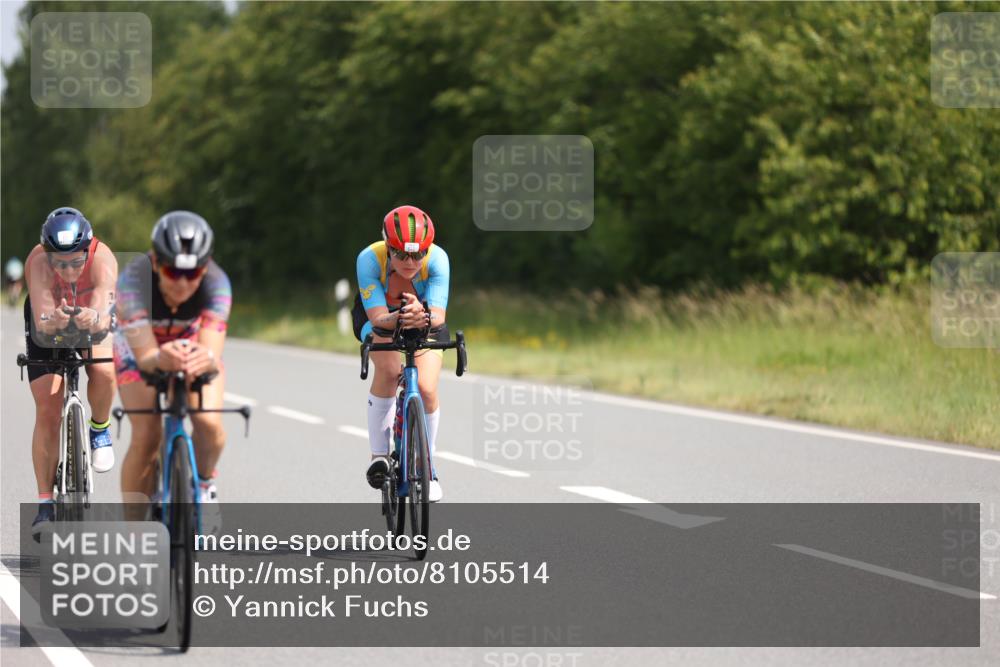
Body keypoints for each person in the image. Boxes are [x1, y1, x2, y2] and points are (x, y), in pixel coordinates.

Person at [115, 211, 231, 513]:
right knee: (147, 434)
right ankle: (136, 536)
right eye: (172, 272)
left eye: (192, 274)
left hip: (191, 343)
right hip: (140, 346)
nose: (182, 283)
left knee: (208, 423)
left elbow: (210, 353)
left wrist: (202, 361)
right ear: (156, 262)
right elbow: (146, 357)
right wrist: (159, 358)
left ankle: (204, 485)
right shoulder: (132, 282)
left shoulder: (218, 284)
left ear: (205, 268)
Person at [24, 208, 118, 534]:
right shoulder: (36, 260)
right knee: (48, 408)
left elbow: (106, 312)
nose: (67, 269)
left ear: (89, 249)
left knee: (105, 371)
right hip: (51, 320)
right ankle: (45, 505)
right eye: (58, 262)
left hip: (92, 312)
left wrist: (95, 317)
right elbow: (41, 316)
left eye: (76, 261)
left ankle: (99, 428)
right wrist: (55, 320)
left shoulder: (103, 258)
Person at [355, 205, 450, 502]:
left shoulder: (438, 259)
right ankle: (379, 455)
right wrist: (399, 318)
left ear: (427, 250)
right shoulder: (370, 259)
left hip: (424, 318)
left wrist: (419, 316)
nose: (410, 262)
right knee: (388, 369)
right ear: (388, 246)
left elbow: (437, 315)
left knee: (425, 387)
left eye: (418, 254)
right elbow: (378, 317)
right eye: (401, 254)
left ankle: (427, 467)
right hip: (379, 317)